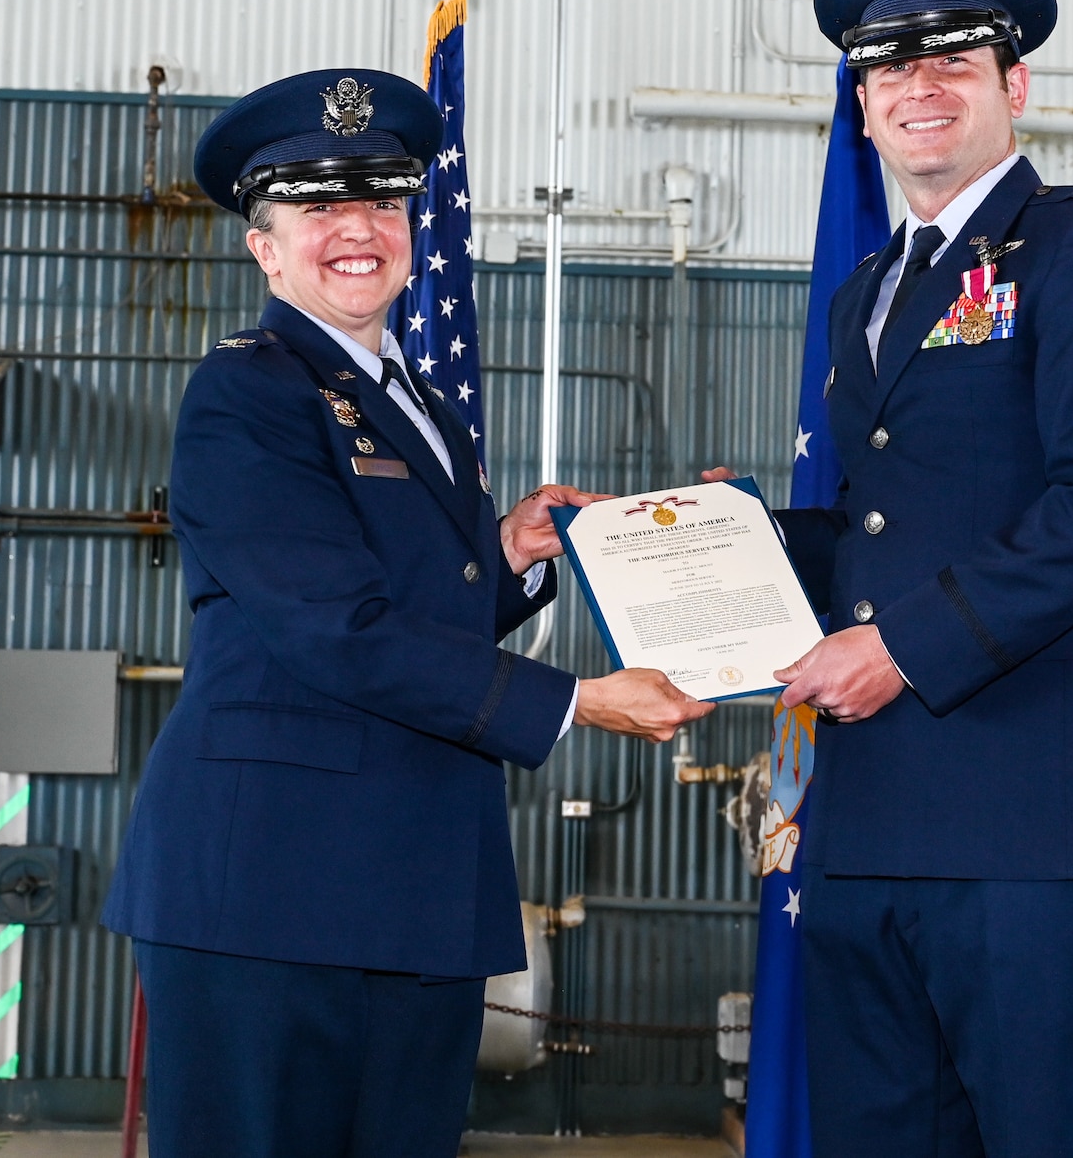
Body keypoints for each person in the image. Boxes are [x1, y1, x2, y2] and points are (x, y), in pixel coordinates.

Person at [101, 68, 712, 1158]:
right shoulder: (249, 390)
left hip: (416, 884)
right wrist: (580, 701)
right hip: (271, 894)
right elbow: (331, 627)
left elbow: (413, 606)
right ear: (265, 244)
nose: (358, 228)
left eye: (381, 200)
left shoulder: (413, 397)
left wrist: (515, 552)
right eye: (318, 203)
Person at [753, 0, 1073, 1157]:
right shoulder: (867, 292)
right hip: (866, 823)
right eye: (888, 65)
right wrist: (713, 542)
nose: (918, 82)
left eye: (953, 55)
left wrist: (897, 646)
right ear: (862, 102)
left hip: (1030, 828)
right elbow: (881, 523)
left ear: (1015, 84)